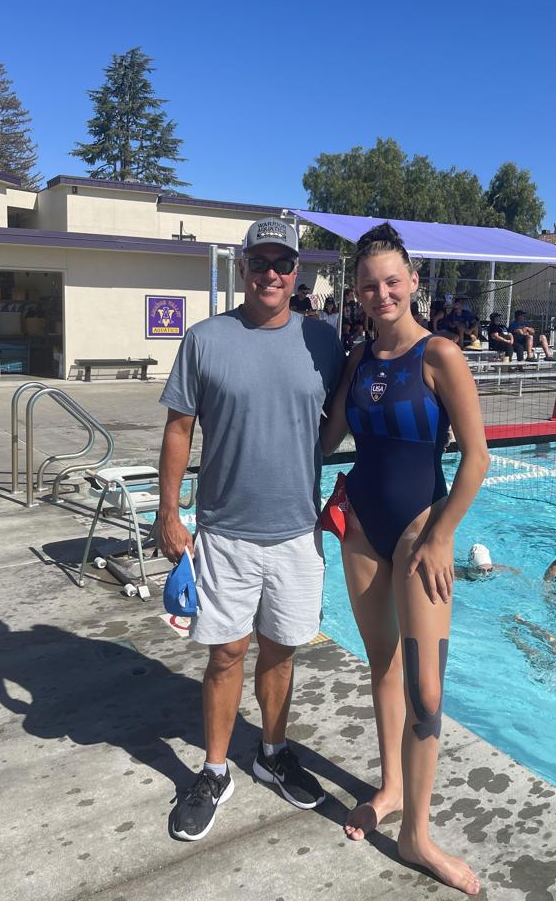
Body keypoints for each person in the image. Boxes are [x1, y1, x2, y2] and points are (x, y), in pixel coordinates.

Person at [159, 218, 345, 841]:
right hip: (224, 530)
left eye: (282, 263)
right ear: (243, 268)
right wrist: (168, 511)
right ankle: (215, 770)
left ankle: (270, 753)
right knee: (226, 652)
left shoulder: (324, 341)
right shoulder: (206, 339)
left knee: (282, 649)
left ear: (298, 272)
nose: (271, 274)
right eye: (260, 262)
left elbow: (344, 415)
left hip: (296, 529)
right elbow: (179, 428)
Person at [321, 222, 489, 896]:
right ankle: (391, 788)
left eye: (393, 280)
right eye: (369, 284)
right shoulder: (359, 360)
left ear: (414, 281)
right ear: (358, 293)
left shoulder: (440, 355)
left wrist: (444, 533)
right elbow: (326, 432)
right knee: (381, 663)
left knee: (427, 692)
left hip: (423, 526)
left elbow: (477, 457)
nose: (381, 292)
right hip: (363, 523)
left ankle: (417, 834)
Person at [454, 544, 520, 580]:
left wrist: (513, 578)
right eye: (480, 570)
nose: (486, 574)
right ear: (471, 567)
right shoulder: (458, 574)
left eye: (489, 570)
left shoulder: (493, 568)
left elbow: (514, 570)